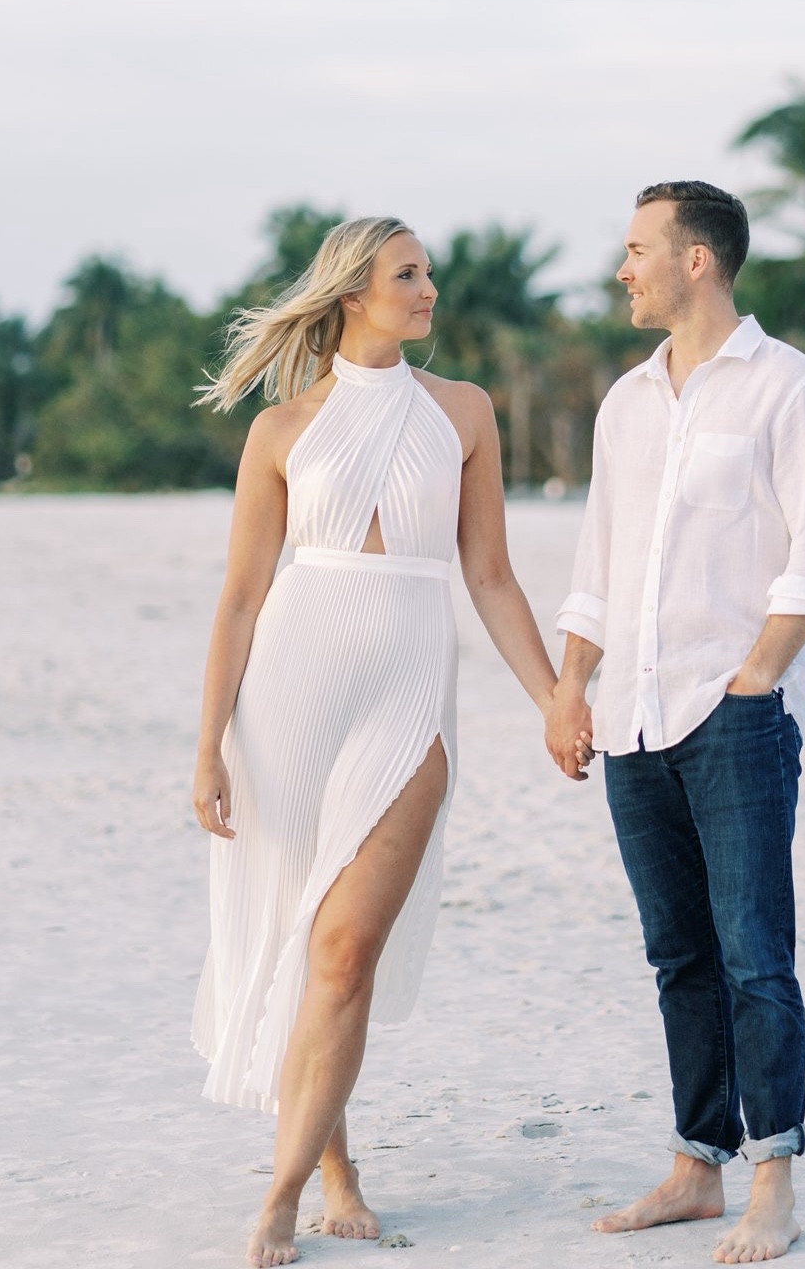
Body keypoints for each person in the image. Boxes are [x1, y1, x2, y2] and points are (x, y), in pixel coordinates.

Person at [190, 216, 559, 1268]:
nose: (429, 288)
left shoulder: (463, 413)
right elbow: (239, 601)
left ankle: (281, 1191)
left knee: (346, 949)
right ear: (352, 292)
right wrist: (207, 747)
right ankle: (334, 1166)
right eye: (408, 273)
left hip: (407, 697)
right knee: (307, 945)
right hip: (289, 703)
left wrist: (547, 699)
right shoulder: (283, 431)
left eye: (428, 273)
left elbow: (487, 576)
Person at [544, 181, 805, 1264]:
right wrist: (567, 686)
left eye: (635, 248)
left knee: (753, 953)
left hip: (733, 714)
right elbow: (598, 561)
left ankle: (771, 1178)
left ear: (695, 261)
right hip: (628, 716)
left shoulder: (790, 391)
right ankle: (694, 1166)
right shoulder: (627, 402)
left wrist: (752, 681)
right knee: (677, 954)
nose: (620, 267)